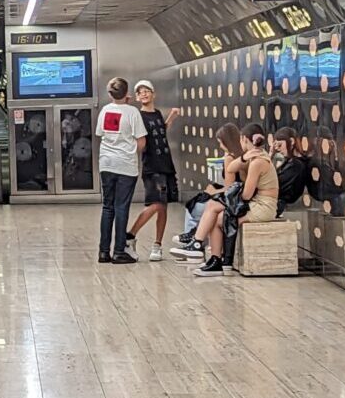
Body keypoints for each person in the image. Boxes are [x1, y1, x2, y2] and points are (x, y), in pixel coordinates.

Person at [171, 123, 278, 276]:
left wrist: (227, 201)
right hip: (259, 204)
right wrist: (243, 157)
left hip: (263, 207)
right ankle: (215, 259)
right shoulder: (254, 157)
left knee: (215, 208)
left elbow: (246, 195)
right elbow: (230, 168)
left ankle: (198, 244)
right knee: (217, 216)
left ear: (244, 139)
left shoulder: (257, 162)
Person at [124, 80, 181, 261]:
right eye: (140, 92)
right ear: (138, 97)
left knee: (163, 206)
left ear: (153, 94)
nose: (144, 94)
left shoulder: (156, 113)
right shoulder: (138, 116)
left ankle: (157, 245)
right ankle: (130, 235)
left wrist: (171, 117)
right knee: (156, 203)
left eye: (147, 91)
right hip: (152, 166)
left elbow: (160, 132)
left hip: (166, 164)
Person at [96, 77, 146, 265]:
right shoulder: (133, 112)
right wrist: (130, 152)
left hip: (106, 163)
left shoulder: (105, 111)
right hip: (126, 165)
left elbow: (100, 134)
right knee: (121, 207)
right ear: (127, 93)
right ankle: (119, 251)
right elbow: (141, 141)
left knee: (107, 207)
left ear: (110, 94)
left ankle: (103, 252)